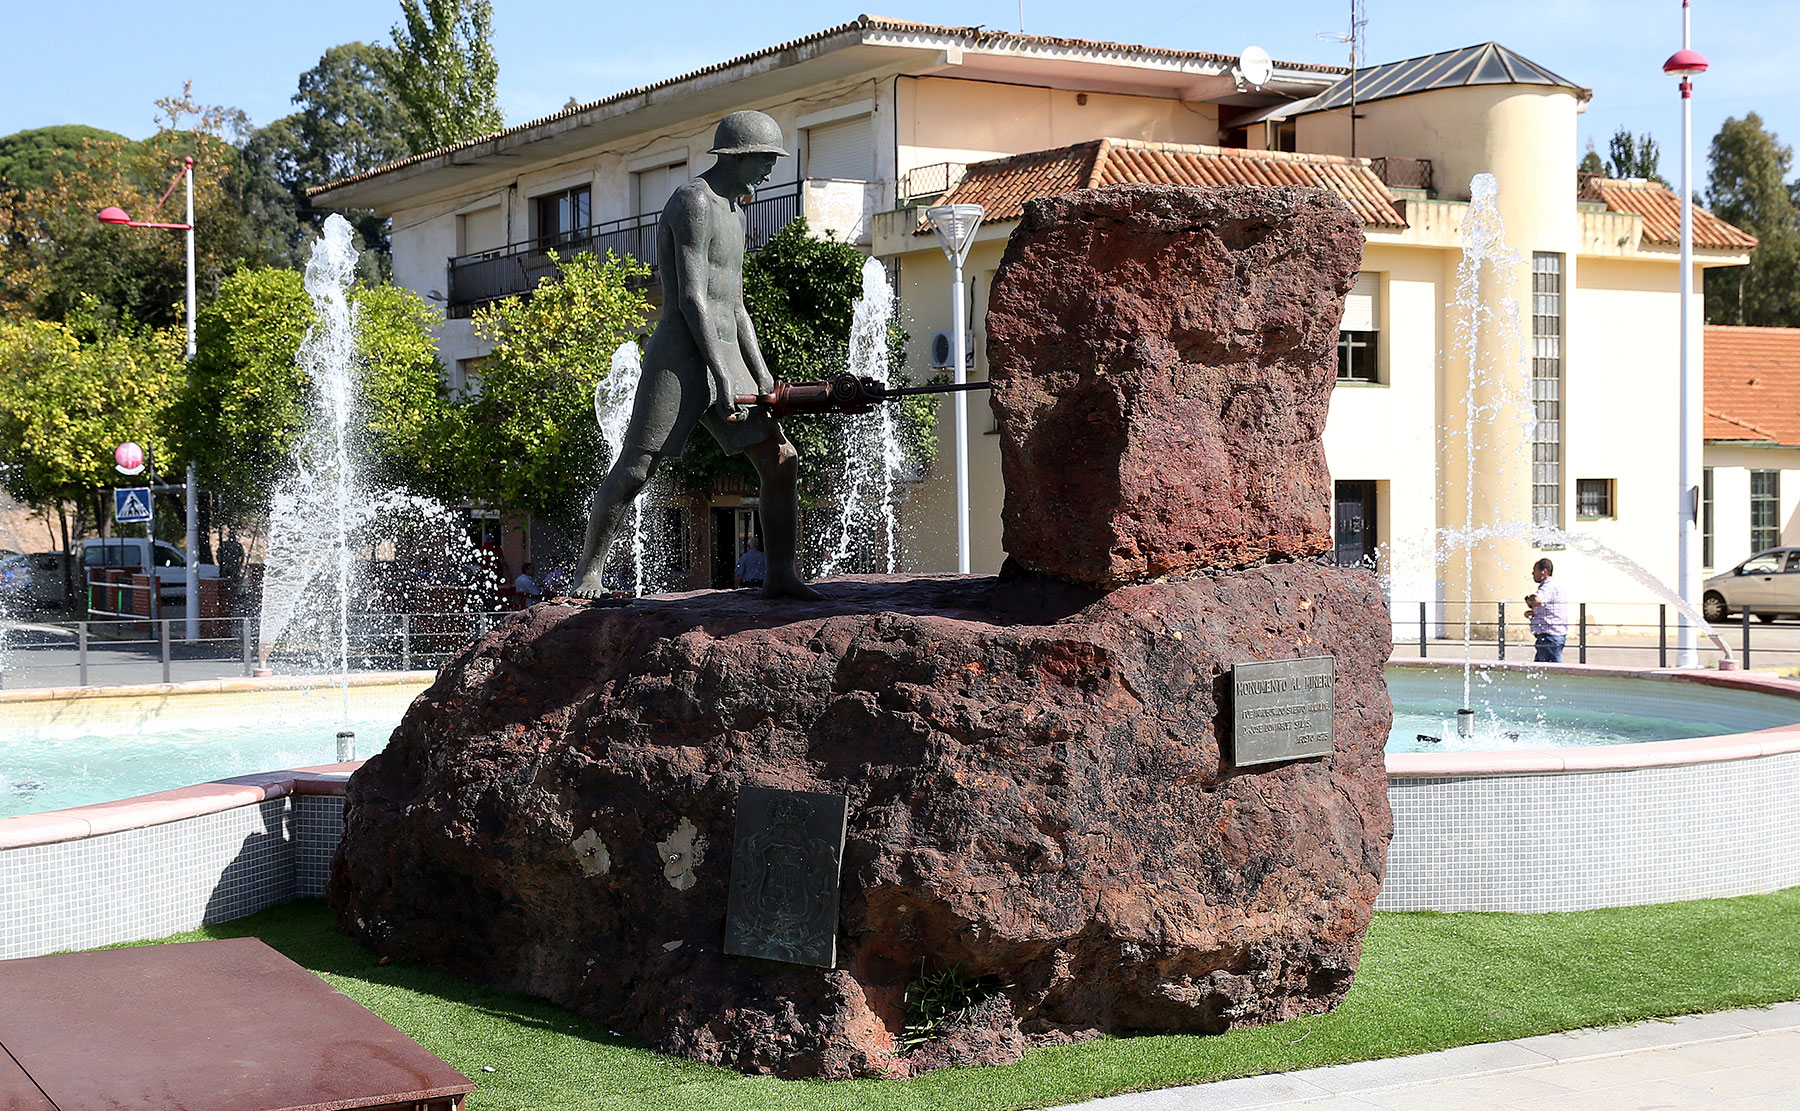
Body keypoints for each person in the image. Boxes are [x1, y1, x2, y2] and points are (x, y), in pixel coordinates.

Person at [571, 110, 821, 601]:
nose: (771, 170)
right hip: (680, 356)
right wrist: (719, 374)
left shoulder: (737, 213)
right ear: (738, 156)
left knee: (781, 458)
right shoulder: (693, 201)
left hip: (725, 352)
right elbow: (691, 299)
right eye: (766, 160)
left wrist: (763, 376)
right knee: (637, 468)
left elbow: (737, 306)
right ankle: (589, 571)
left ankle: (780, 575)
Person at [1525, 557, 1570, 663]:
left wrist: (1529, 599)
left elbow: (1537, 600)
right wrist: (1534, 613)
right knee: (1547, 668)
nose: (1532, 574)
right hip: (1554, 635)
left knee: (1548, 669)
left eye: (1535, 570)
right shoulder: (1555, 585)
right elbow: (1549, 609)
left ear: (1544, 572)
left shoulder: (1548, 586)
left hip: (1549, 636)